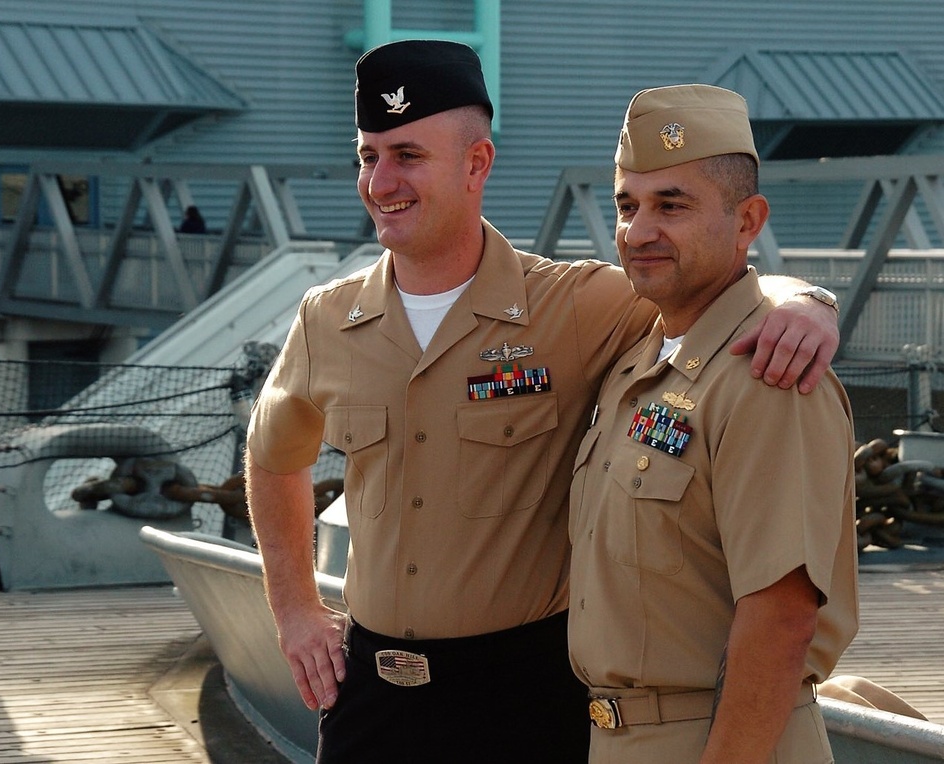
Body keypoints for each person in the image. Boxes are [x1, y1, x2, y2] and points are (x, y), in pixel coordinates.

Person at [245, 42, 840, 764]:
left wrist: (807, 302)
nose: (380, 181)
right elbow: (273, 455)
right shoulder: (326, 321)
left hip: (524, 695)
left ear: (476, 164)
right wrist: (296, 609)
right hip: (371, 696)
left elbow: (705, 290)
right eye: (368, 156)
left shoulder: (577, 306)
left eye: (407, 154)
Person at [567, 84, 859, 763]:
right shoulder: (638, 365)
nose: (639, 231)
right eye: (627, 204)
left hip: (725, 741)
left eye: (672, 205)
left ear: (748, 220)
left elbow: (782, 618)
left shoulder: (770, 376)